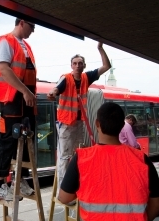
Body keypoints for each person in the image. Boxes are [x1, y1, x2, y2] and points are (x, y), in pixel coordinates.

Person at [58, 102, 159, 221]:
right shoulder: (142, 160)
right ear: (123, 126)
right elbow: (157, 205)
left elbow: (64, 197)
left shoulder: (82, 158)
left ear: (97, 124)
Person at [0, 18, 37, 200]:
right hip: (11, 98)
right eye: (32, 26)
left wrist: (28, 94)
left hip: (25, 100)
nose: (33, 30)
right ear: (22, 22)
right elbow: (4, 70)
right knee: (8, 139)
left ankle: (20, 179)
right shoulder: (5, 40)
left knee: (27, 137)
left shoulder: (26, 46)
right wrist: (25, 91)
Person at [47, 43, 111, 189]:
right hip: (66, 124)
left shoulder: (86, 78)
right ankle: (63, 190)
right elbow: (57, 88)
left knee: (76, 156)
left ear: (84, 66)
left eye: (80, 63)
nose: (77, 66)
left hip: (79, 123)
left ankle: (75, 186)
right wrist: (53, 93)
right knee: (64, 157)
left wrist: (100, 49)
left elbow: (106, 66)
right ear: (71, 66)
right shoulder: (66, 78)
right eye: (75, 63)